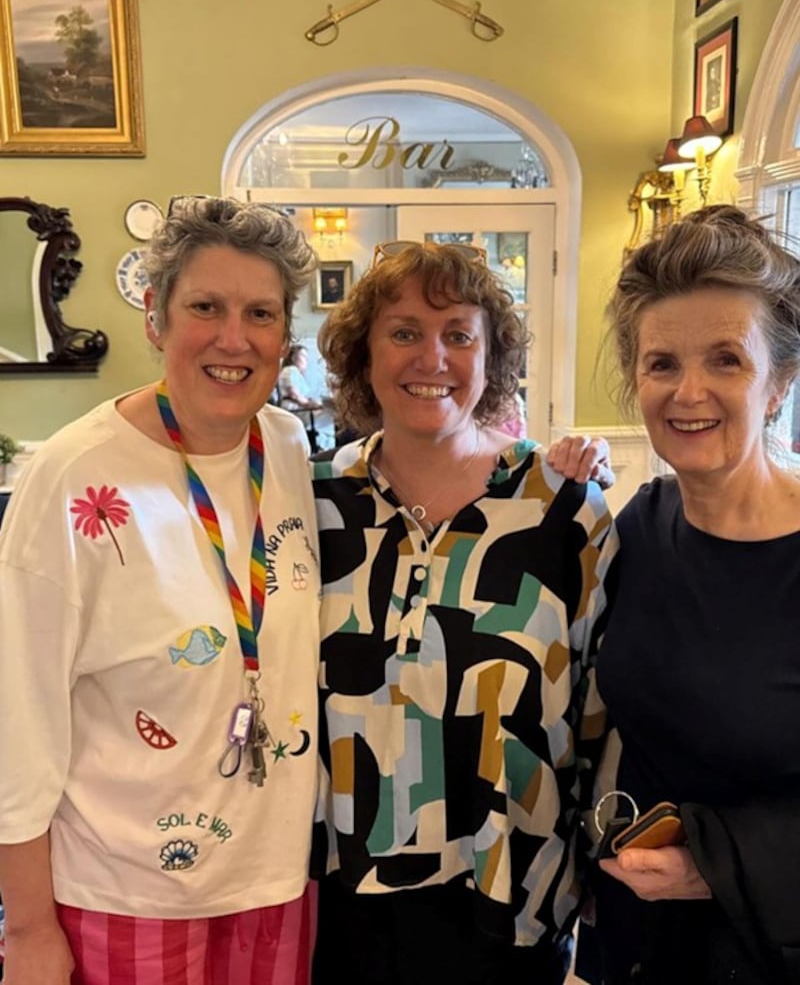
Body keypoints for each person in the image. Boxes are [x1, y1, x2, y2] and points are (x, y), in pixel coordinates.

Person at [0, 195, 322, 985]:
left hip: (275, 881)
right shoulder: (73, 477)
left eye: (261, 313)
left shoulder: (285, 446)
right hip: (123, 894)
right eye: (205, 307)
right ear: (156, 316)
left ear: (285, 337)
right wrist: (30, 926)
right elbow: (19, 721)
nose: (233, 338)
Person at [309, 240, 615, 985]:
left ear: (492, 356)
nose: (432, 357)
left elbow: (597, 707)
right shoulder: (310, 501)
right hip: (336, 884)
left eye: (459, 334)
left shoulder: (561, 506)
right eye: (404, 331)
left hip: (508, 883)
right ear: (364, 353)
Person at [548, 204, 800, 985]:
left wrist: (710, 866)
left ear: (778, 383)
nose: (689, 392)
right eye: (663, 363)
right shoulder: (644, 524)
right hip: (641, 937)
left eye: (726, 359)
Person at [277, 344, 336, 451]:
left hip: (297, 409)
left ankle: (324, 442)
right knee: (332, 411)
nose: (305, 360)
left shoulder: (293, 372)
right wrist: (309, 403)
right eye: (303, 356)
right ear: (293, 357)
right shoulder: (290, 370)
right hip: (295, 410)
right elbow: (293, 393)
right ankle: (327, 445)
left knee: (329, 409)